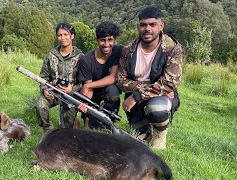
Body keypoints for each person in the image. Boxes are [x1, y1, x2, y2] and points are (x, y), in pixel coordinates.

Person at [116, 7, 183, 149]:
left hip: (159, 98)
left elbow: (170, 82)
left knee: (157, 109)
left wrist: (137, 96)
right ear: (138, 27)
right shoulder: (129, 50)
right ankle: (146, 127)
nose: (147, 29)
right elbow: (121, 81)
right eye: (143, 24)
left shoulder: (172, 48)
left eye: (152, 24)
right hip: (138, 101)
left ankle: (160, 133)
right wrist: (149, 86)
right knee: (138, 141)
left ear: (161, 26)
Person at [36, 22, 83, 132]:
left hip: (70, 95)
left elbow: (83, 82)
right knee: (40, 106)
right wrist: (44, 89)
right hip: (53, 92)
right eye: (59, 35)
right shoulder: (51, 55)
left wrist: (72, 89)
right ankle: (48, 131)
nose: (62, 38)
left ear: (72, 36)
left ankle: (72, 123)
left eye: (66, 34)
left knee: (66, 128)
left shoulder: (80, 57)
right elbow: (44, 77)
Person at [77, 21, 124, 130]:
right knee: (94, 127)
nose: (106, 45)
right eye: (102, 40)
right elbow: (87, 86)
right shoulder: (86, 60)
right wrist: (84, 103)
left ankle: (110, 121)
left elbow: (112, 78)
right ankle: (90, 118)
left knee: (113, 90)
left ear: (115, 40)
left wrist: (88, 86)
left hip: (108, 90)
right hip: (93, 95)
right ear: (97, 40)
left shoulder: (118, 51)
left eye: (110, 40)